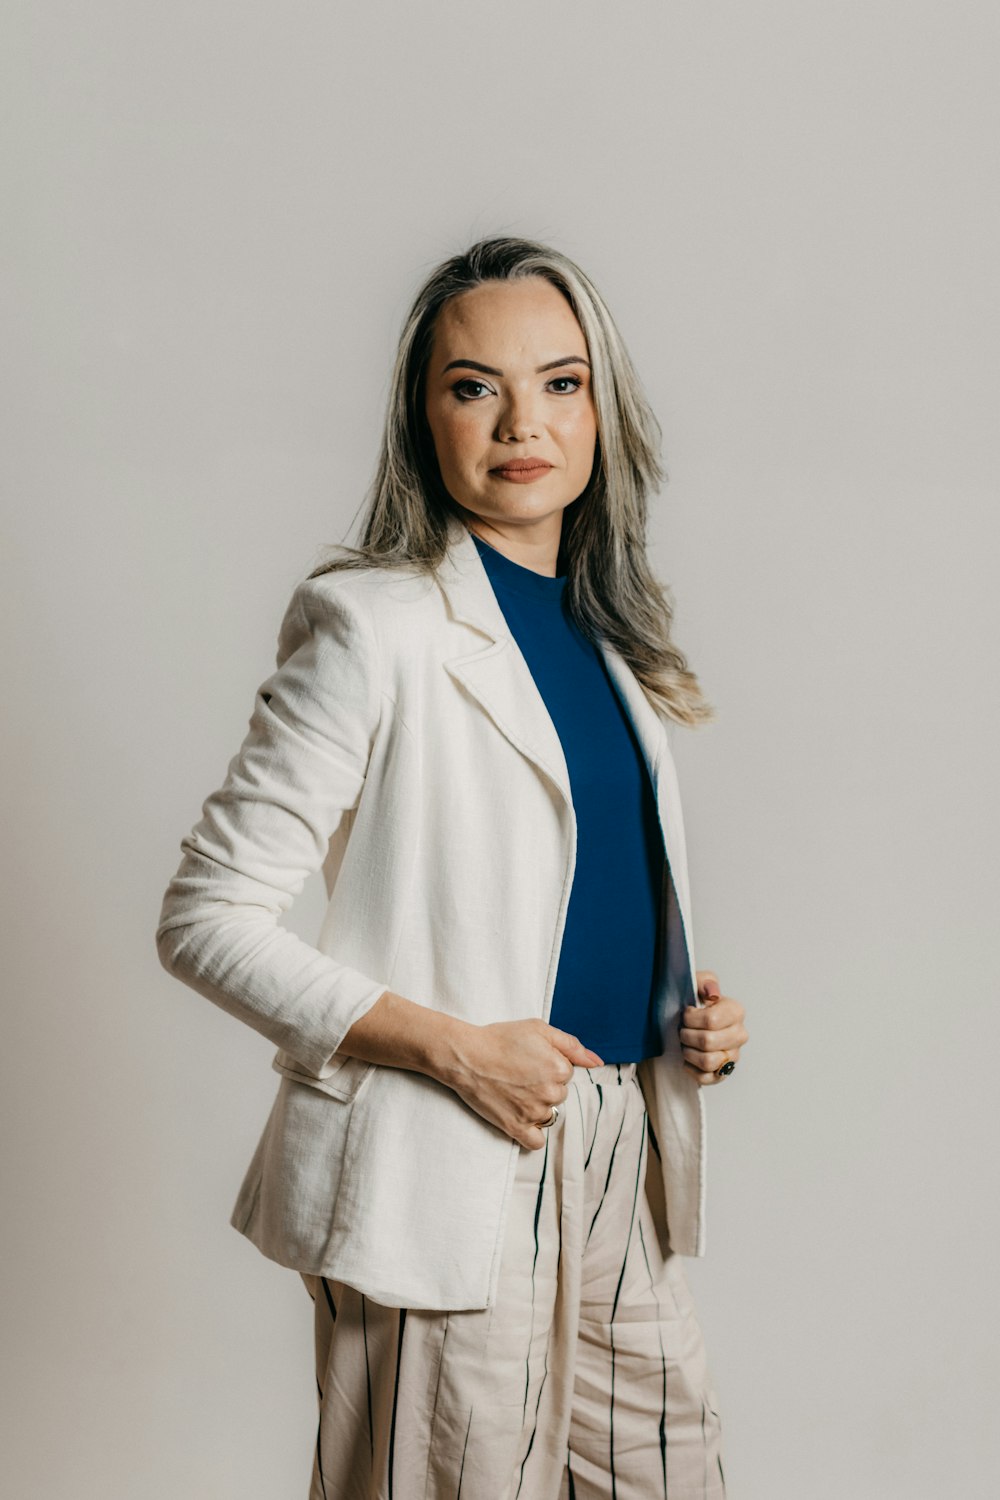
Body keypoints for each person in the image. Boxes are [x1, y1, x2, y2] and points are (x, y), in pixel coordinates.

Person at [155, 234, 748, 1500]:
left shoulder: (609, 643)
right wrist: (453, 1048)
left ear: (602, 412)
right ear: (423, 418)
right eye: (474, 385)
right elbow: (206, 917)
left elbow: (563, 888)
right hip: (450, 1147)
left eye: (560, 382)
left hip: (617, 1142)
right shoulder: (370, 624)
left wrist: (689, 1006)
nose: (521, 420)